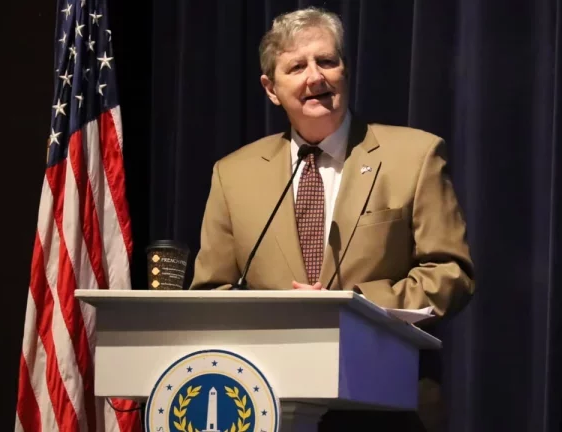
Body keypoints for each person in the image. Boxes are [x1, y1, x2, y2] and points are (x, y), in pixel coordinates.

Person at [190, 6, 475, 431]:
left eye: (326, 61)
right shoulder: (233, 175)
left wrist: (355, 306)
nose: (315, 77)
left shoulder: (415, 156)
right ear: (271, 88)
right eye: (296, 67)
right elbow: (212, 293)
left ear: (345, 70)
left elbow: (451, 272)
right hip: (271, 401)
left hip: (387, 404)